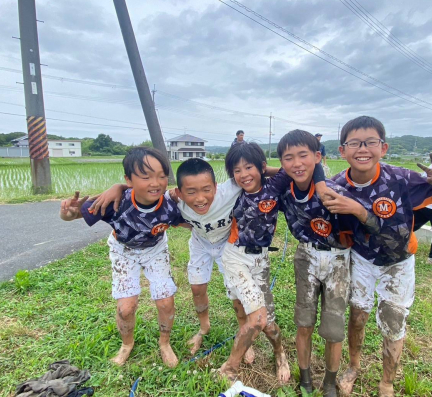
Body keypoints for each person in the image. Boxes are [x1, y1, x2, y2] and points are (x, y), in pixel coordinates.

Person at [88, 158, 281, 359]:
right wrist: (118, 187)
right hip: (200, 243)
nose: (200, 199)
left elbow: (253, 174)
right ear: (179, 193)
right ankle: (203, 328)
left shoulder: (230, 189)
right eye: (190, 192)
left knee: (236, 293)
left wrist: (262, 167)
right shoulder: (174, 202)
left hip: (227, 245)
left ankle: (244, 337)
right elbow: (147, 193)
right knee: (197, 288)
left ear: (216, 186)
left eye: (207, 190)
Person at [323, 116, 432, 397]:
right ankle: (354, 366)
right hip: (362, 259)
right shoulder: (337, 185)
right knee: (358, 315)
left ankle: (387, 382)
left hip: (399, 261)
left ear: (383, 148)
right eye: (354, 143)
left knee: (393, 321)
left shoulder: (401, 178)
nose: (363, 149)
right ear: (342, 151)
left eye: (371, 142)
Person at [276, 130, 381, 397]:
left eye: (304, 156)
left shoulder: (336, 193)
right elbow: (257, 178)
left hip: (337, 261)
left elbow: (370, 224)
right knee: (304, 322)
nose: (297, 163)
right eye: (289, 158)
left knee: (334, 328)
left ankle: (330, 382)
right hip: (305, 257)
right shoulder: (283, 191)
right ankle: (306, 376)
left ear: (318, 157)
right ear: (281, 162)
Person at [59, 147, 185, 368]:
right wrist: (67, 213)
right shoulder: (115, 201)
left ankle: (164, 343)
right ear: (128, 179)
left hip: (155, 250)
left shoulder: (169, 205)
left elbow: (193, 222)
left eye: (162, 176)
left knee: (166, 302)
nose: (155, 183)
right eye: (145, 177)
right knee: (125, 308)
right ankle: (126, 344)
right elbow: (75, 214)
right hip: (123, 251)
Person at [218, 142, 294, 384]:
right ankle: (231, 366)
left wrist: (263, 170)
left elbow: (290, 169)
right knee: (241, 307)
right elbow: (200, 194)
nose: (243, 175)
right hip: (234, 256)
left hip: (260, 258)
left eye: (248, 167)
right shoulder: (232, 192)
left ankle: (279, 352)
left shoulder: (274, 187)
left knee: (266, 322)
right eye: (236, 171)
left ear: (261, 167)